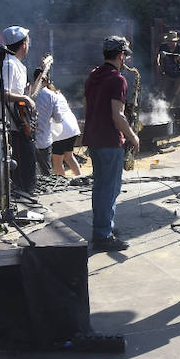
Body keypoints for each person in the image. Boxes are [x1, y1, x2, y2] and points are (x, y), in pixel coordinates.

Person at [83, 36, 139, 252]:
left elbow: (87, 109)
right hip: (109, 141)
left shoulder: (93, 75)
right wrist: (133, 136)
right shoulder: (118, 79)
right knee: (110, 189)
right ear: (120, 55)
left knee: (100, 188)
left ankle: (104, 228)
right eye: (125, 56)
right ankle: (103, 235)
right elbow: (118, 116)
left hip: (94, 139)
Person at [0, 25, 38, 194]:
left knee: (27, 167)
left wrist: (26, 94)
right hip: (10, 127)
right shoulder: (8, 64)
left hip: (18, 125)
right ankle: (22, 199)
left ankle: (24, 197)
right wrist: (23, 98)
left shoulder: (17, 65)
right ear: (24, 44)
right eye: (28, 41)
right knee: (23, 168)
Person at [34, 71, 81, 178]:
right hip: (73, 127)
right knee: (69, 156)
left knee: (57, 159)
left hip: (61, 130)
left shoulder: (44, 95)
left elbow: (57, 117)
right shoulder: (57, 93)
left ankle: (61, 182)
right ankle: (80, 178)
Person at [156, 31, 180, 102]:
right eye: (168, 41)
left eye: (172, 41)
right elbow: (158, 55)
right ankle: (163, 107)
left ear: (176, 41)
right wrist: (158, 64)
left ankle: (177, 109)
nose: (170, 43)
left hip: (179, 76)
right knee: (164, 92)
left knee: (177, 94)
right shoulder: (163, 47)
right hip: (167, 74)